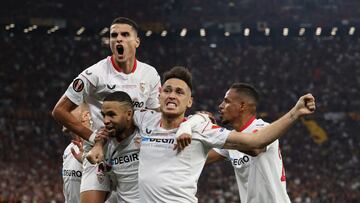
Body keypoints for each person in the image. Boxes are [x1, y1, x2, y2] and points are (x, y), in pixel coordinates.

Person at [89, 66, 316, 202]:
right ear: (158, 97)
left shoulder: (217, 130)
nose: (171, 95)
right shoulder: (144, 118)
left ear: (189, 101)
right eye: (167, 90)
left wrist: (295, 113)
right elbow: (116, 118)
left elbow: (256, 144)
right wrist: (99, 144)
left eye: (179, 92)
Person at [52, 16, 161, 203]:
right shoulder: (95, 73)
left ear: (137, 42)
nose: (118, 39)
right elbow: (59, 111)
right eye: (114, 35)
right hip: (99, 154)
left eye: (125, 34)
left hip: (133, 155)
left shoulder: (149, 74)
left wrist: (187, 122)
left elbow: (156, 115)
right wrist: (93, 137)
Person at [206, 83, 291, 203]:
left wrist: (213, 133)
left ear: (242, 106)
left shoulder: (264, 129)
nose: (220, 106)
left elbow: (254, 148)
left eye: (226, 101)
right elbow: (200, 159)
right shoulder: (231, 138)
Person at [87, 91, 141, 202]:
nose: (105, 121)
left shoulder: (147, 135)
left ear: (129, 114)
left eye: (112, 114)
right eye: (104, 115)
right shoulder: (104, 145)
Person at [62, 103, 90, 203]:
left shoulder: (98, 149)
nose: (62, 113)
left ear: (85, 116)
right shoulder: (68, 150)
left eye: (69, 109)